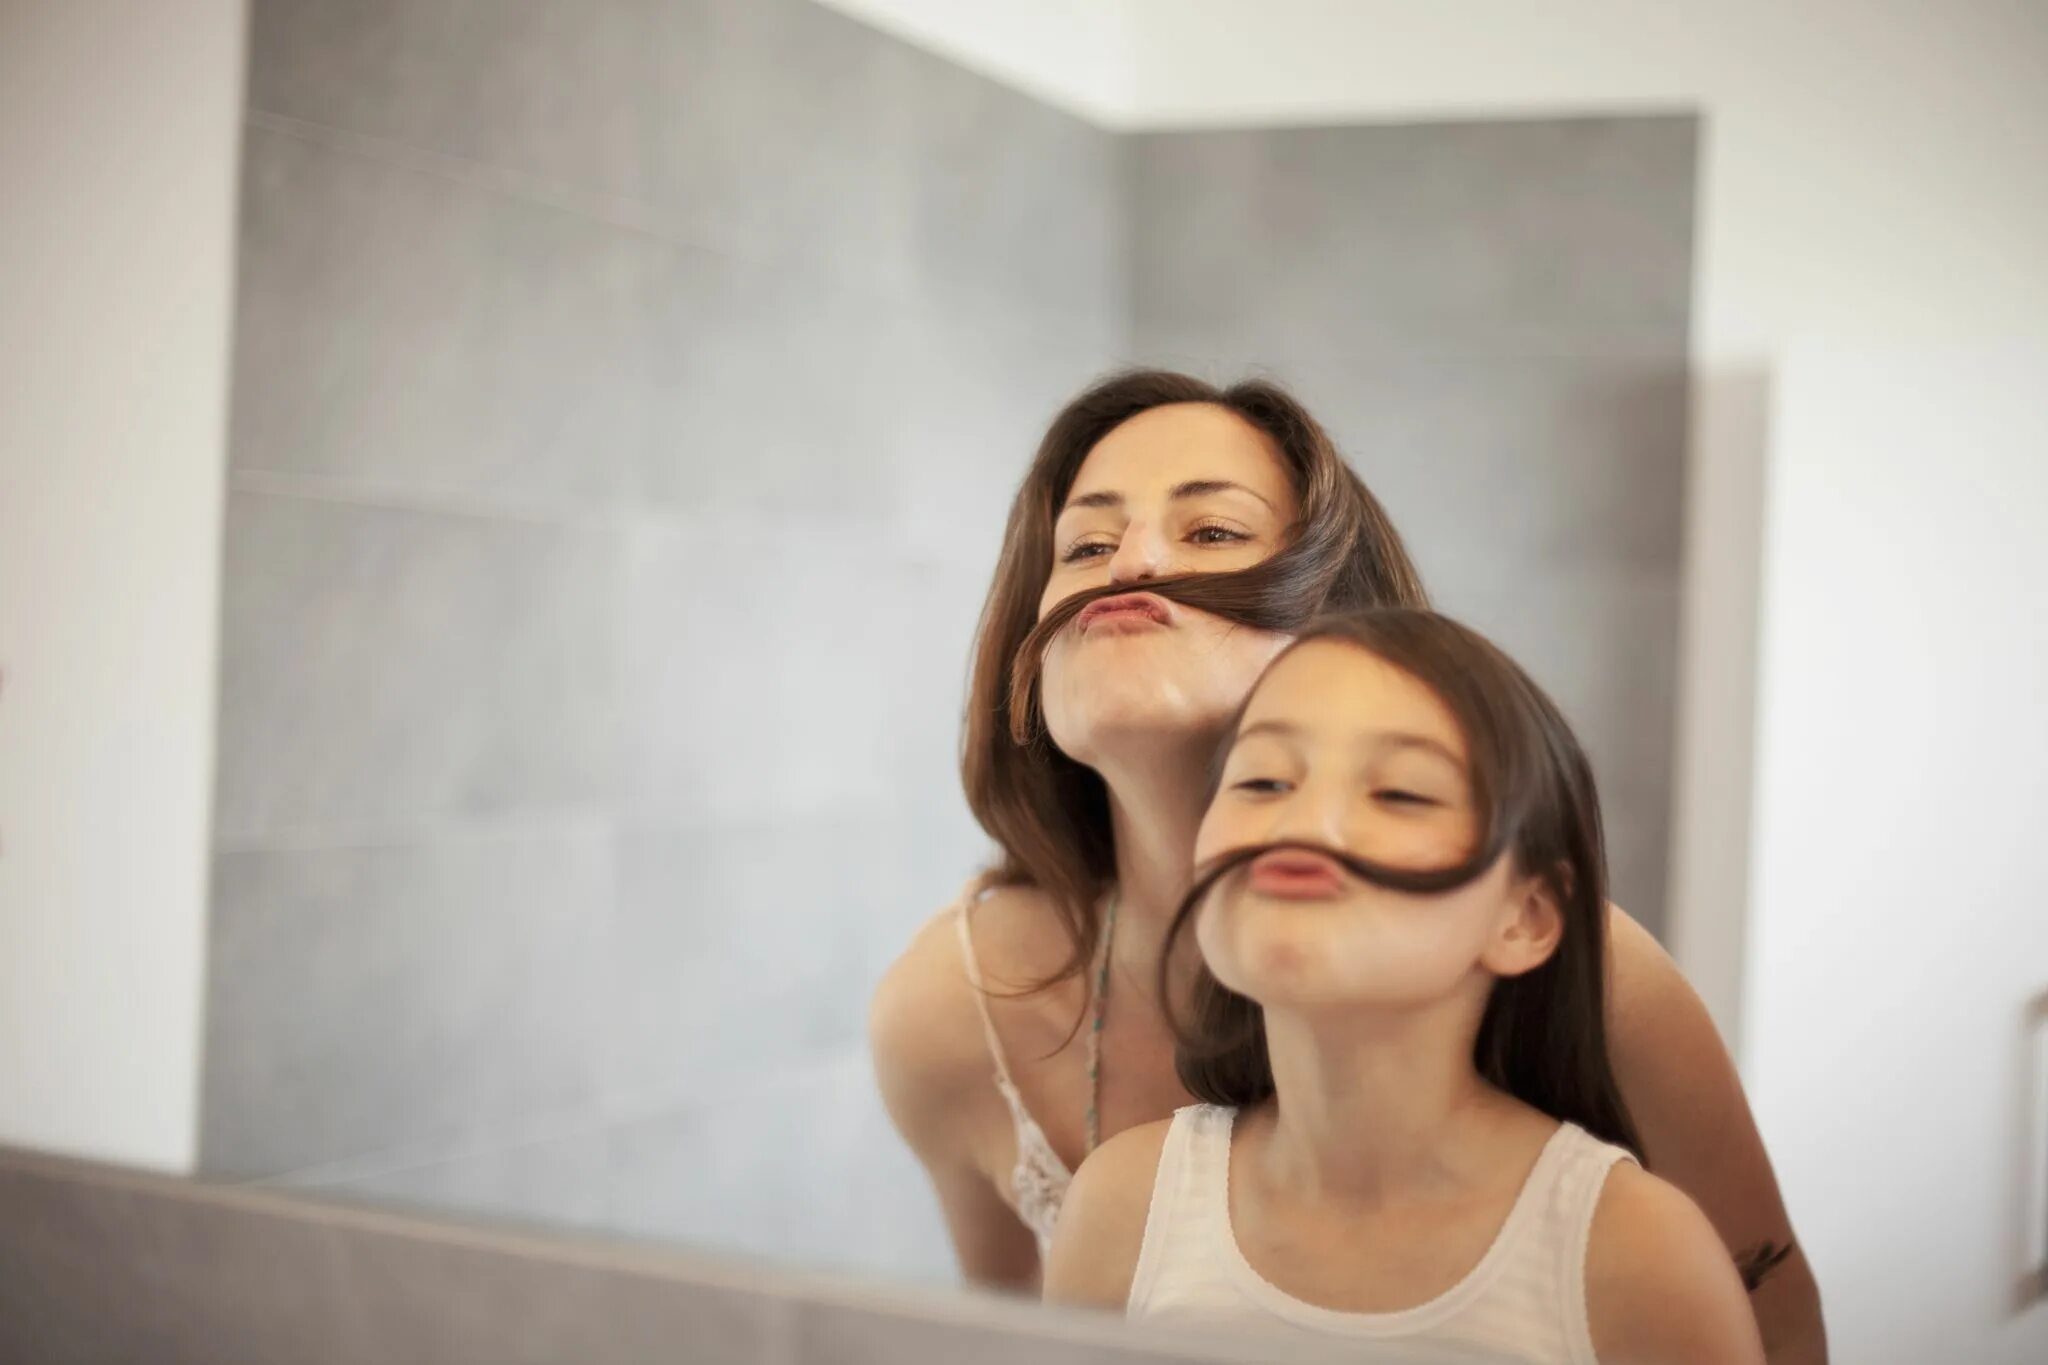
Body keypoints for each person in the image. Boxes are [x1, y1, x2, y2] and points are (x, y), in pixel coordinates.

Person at [869, 370, 1824, 1361]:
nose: (1131, 566)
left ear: (1346, 629)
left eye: (1211, 533)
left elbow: (1771, 1315)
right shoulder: (947, 1013)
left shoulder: (1594, 980)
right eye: (1085, 545)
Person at [1042, 608, 1764, 1364]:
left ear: (1525, 915)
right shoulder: (1122, 1208)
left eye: (1400, 793)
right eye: (1262, 779)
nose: (1305, 819)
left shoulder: (1640, 1257)